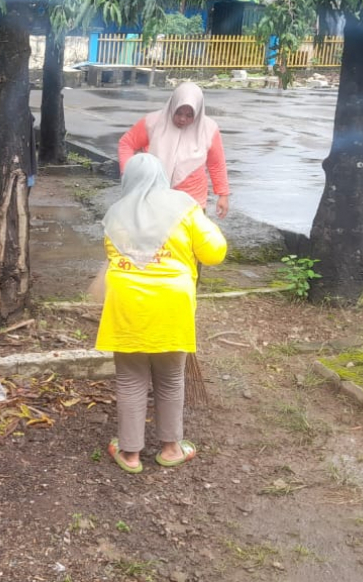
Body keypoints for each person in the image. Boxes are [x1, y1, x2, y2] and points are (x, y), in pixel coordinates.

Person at [96, 154, 227, 474]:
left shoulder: (116, 212)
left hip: (126, 306)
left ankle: (129, 454)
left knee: (130, 379)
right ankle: (171, 449)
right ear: (162, 177)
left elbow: (111, 254)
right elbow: (215, 252)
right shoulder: (184, 206)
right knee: (170, 378)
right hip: (172, 305)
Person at [117, 82, 230, 218]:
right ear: (173, 105)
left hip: (192, 200)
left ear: (198, 112)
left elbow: (216, 163)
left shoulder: (209, 129)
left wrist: (223, 194)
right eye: (178, 113)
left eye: (189, 115)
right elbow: (126, 144)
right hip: (155, 196)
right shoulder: (153, 122)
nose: (183, 119)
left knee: (190, 238)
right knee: (156, 237)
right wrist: (129, 173)